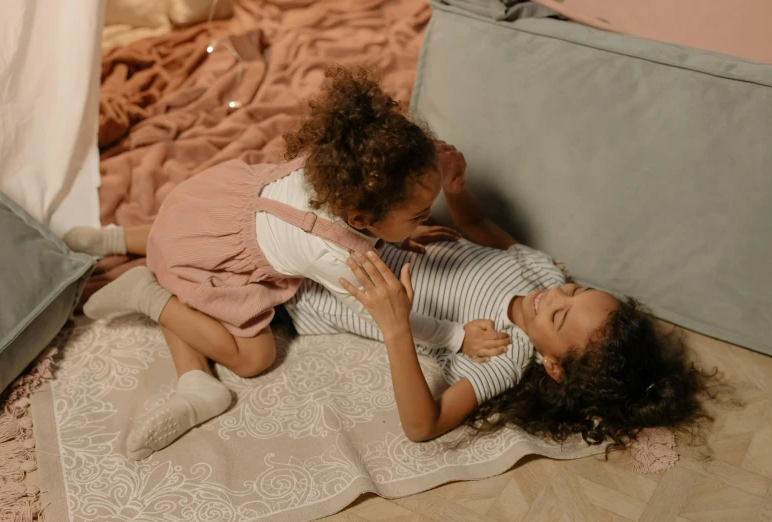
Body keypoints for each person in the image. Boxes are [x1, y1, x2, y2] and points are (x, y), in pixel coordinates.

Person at [64, 67, 509, 460]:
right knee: (255, 357)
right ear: (361, 220)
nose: (427, 219)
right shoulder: (335, 256)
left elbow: (386, 194)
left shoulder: (343, 162)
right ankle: (147, 293)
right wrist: (455, 335)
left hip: (206, 202)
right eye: (417, 215)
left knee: (185, 231)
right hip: (208, 256)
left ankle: (117, 237)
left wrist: (406, 227)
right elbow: (389, 318)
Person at [284, 142, 714, 446]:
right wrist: (455, 190)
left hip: (315, 288)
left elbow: (422, 426)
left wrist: (397, 327)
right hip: (375, 232)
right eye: (576, 289)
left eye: (559, 317)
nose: (555, 295)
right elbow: (480, 230)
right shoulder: (542, 271)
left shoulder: (503, 355)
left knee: (253, 316)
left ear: (553, 366)